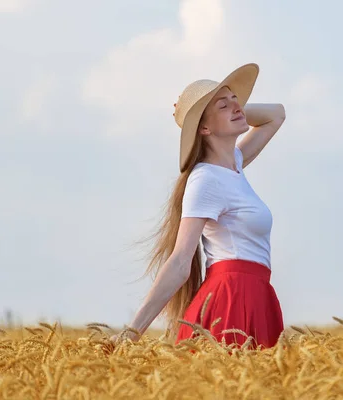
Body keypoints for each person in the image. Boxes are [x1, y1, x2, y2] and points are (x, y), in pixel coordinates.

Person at [110, 63, 286, 349]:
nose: (236, 107)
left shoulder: (235, 165)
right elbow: (180, 261)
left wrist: (214, 110)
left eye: (236, 101)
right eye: (223, 105)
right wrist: (133, 331)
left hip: (257, 295)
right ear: (204, 128)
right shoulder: (206, 180)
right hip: (230, 301)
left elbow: (277, 114)